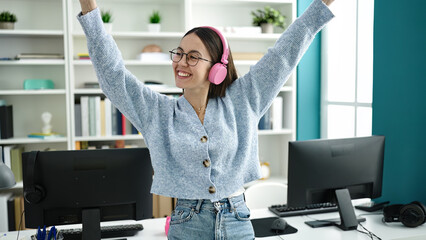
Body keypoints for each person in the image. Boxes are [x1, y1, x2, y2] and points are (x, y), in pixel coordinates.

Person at [77, 0, 335, 239]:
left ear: (218, 68)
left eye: (192, 56)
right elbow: (112, 73)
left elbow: (284, 54)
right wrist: (88, 6)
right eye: (178, 53)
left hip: (238, 219)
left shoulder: (243, 100)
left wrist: (321, 5)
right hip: (187, 222)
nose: (180, 62)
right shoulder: (157, 112)